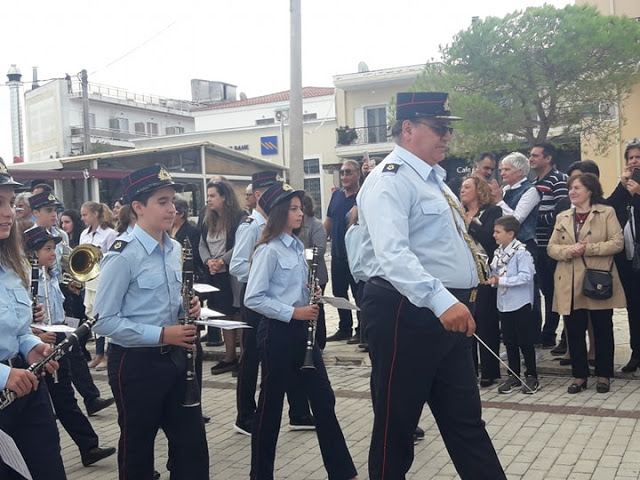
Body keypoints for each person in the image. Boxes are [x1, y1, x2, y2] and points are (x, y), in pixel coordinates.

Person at [358, 91, 505, 479]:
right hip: (406, 311)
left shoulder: (433, 179)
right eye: (438, 128)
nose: (447, 137)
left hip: (446, 313)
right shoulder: (390, 180)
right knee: (396, 429)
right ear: (408, 128)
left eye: (447, 130)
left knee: (466, 422)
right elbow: (393, 255)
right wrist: (442, 300)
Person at [93, 164, 209, 479]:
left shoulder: (174, 250)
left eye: (173, 201)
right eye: (163, 201)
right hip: (136, 364)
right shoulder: (123, 255)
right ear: (138, 207)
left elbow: (171, 300)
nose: (172, 208)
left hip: (177, 358)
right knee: (138, 448)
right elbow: (103, 322)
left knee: (192, 445)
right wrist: (162, 334)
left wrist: (191, 306)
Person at [244, 182, 359, 480]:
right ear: (279, 212)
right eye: (293, 209)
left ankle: (343, 472)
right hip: (277, 334)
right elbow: (253, 298)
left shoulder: (297, 246)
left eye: (301, 208)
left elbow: (294, 288)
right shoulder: (268, 250)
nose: (300, 214)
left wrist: (312, 291)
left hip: (301, 334)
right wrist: (293, 311)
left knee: (324, 400)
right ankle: (260, 474)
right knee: (270, 406)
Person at [229, 171, 313, 436]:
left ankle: (298, 412)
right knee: (252, 359)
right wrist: (265, 269)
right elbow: (237, 265)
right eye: (265, 193)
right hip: (258, 301)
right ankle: (246, 415)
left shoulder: (291, 237)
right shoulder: (251, 227)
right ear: (257, 196)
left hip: (282, 305)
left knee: (289, 359)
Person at [25, 227, 116, 468]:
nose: (53, 253)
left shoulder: (51, 276)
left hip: (57, 340)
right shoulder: (27, 279)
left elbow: (60, 309)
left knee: (65, 398)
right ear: (32, 253)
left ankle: (89, 447)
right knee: (56, 401)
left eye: (54, 248)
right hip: (38, 346)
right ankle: (84, 447)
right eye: (47, 249)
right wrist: (37, 333)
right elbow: (22, 319)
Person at [0, 158, 66, 480]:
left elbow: (17, 328)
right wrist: (2, 375)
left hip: (27, 385)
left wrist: (30, 347)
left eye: (11, 202)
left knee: (48, 469)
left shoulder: (11, 263)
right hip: (5, 386)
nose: (10, 212)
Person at [548, 173, 625, 394]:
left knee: (602, 328)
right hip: (569, 280)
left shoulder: (606, 212)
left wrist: (589, 249)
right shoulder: (563, 216)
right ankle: (579, 376)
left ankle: (603, 375)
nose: (572, 192)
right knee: (574, 330)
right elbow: (551, 248)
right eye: (570, 188)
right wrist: (568, 251)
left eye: (577, 188)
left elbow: (617, 242)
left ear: (590, 190)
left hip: (596, 278)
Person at [59, 208, 115, 416]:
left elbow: (68, 265)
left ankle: (91, 398)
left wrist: (73, 283)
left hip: (67, 300)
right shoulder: (31, 238)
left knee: (73, 349)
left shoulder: (61, 237)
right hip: (49, 308)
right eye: (48, 211)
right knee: (64, 358)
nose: (54, 217)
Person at [487, 216, 538, 394]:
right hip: (504, 303)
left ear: (510, 234)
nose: (494, 235)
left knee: (525, 341)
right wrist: (493, 279)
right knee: (509, 341)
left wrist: (502, 280)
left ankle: (531, 376)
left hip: (520, 303)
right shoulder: (498, 253)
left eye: (497, 232)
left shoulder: (521, 253)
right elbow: (496, 272)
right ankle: (513, 376)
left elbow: (526, 277)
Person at [460, 175, 503, 387]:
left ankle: (490, 371)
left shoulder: (493, 212)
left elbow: (491, 239)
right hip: (462, 275)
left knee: (486, 324)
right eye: (461, 187)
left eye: (467, 186)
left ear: (479, 190)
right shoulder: (456, 213)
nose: (462, 190)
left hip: (485, 275)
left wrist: (471, 224)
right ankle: (469, 370)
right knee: (465, 325)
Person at [199, 179, 245, 373]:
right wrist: (208, 261)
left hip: (232, 273)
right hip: (215, 273)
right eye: (208, 196)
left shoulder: (240, 217)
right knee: (224, 314)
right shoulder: (206, 217)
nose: (208, 200)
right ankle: (229, 356)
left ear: (224, 197)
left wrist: (223, 261)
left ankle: (244, 357)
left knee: (238, 313)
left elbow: (242, 244)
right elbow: (201, 243)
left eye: (212, 196)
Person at [605, 138, 640, 373]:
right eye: (631, 158)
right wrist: (622, 185)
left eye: (638, 157)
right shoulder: (625, 190)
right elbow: (607, 208)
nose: (634, 162)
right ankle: (636, 353)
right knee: (634, 307)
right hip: (628, 260)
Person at [529, 143, 568, 349]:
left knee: (556, 291)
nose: (531, 159)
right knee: (547, 291)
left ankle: (555, 334)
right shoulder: (535, 182)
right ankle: (548, 333)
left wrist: (536, 217)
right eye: (530, 155)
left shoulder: (559, 180)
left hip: (553, 246)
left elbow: (562, 213)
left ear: (548, 158)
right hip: (538, 245)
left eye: (535, 155)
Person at [325, 159, 361, 343]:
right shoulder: (336, 195)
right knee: (339, 293)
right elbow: (329, 221)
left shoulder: (363, 195)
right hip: (338, 255)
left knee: (359, 295)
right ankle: (344, 328)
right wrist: (320, 244)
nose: (344, 176)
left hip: (356, 258)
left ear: (358, 174)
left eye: (348, 172)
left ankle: (362, 330)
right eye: (342, 172)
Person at [80, 201, 117, 372]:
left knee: (105, 315)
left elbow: (113, 258)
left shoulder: (110, 234)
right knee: (92, 317)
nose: (82, 218)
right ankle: (98, 354)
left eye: (85, 214)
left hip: (103, 278)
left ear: (95, 214)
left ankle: (108, 355)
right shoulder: (84, 234)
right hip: (90, 279)